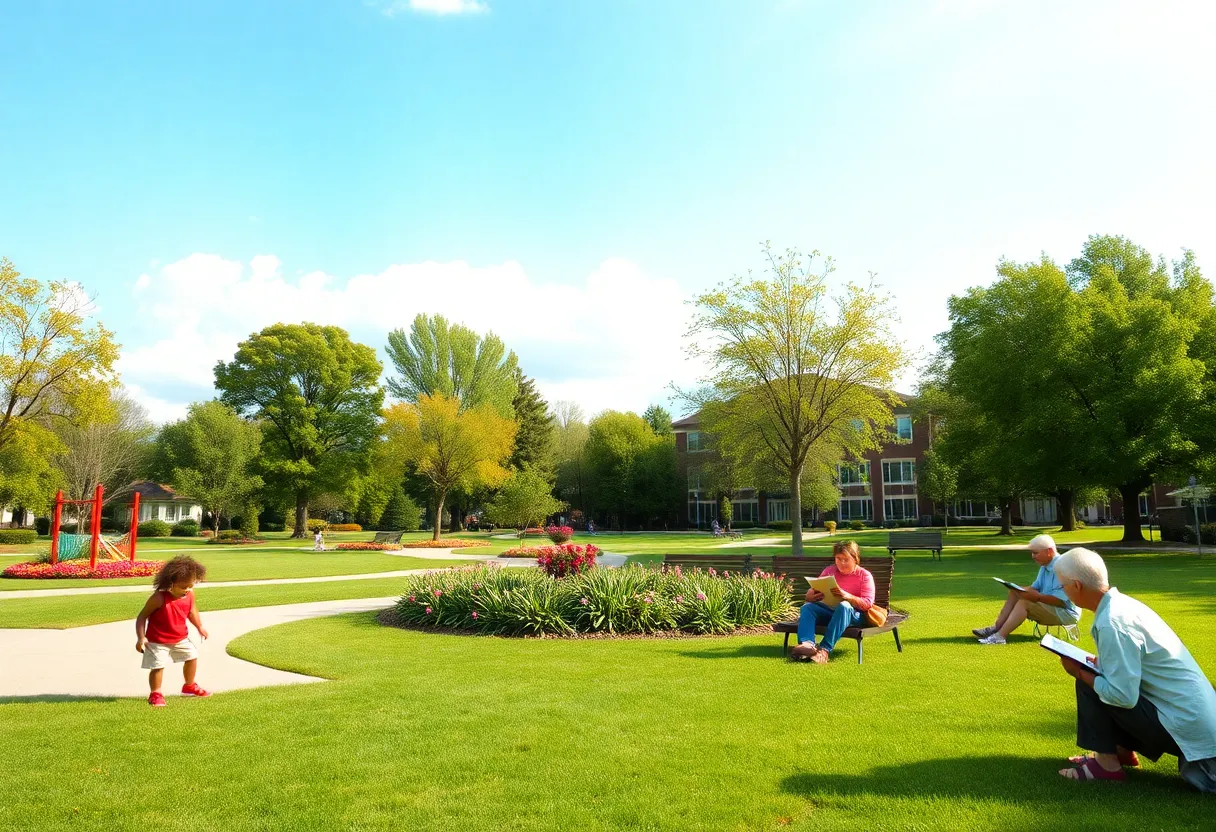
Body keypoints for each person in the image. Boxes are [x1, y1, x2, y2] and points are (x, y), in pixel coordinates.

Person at [1053, 547, 1216, 790]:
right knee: (1095, 676)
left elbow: (1123, 697)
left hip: (1198, 740)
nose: (1062, 591)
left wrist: (1079, 672)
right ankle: (1119, 752)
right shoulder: (1122, 606)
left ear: (1076, 586)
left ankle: (1107, 766)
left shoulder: (1112, 623)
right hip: (1192, 720)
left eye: (1062, 586)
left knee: (1088, 683)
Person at [974, 533, 1081, 644]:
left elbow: (1061, 601)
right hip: (1052, 607)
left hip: (1066, 613)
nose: (1032, 556)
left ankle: (1000, 637)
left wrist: (1036, 597)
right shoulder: (1045, 566)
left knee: (1024, 603)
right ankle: (996, 628)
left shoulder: (1063, 568)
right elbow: (1035, 588)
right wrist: (1019, 590)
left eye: (1035, 553)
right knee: (1014, 593)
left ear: (1049, 551)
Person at [135, 556, 211, 707]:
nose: (187, 590)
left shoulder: (189, 594)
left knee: (192, 657)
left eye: (190, 585)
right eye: (183, 587)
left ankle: (189, 686)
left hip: (180, 638)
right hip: (157, 641)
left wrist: (200, 627)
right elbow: (142, 617)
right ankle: (155, 694)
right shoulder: (158, 598)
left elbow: (191, 611)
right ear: (171, 584)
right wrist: (141, 638)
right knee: (158, 666)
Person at [790, 540, 875, 664]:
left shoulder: (864, 576)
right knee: (807, 607)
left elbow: (867, 604)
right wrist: (810, 596)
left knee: (844, 606)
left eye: (846, 559)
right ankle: (807, 645)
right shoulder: (830, 571)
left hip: (853, 615)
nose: (841, 563)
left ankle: (824, 650)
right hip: (829, 610)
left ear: (855, 559)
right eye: (838, 559)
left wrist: (848, 596)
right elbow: (817, 589)